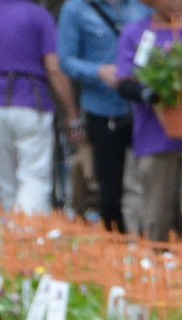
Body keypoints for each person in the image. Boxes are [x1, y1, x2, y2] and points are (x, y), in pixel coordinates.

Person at [0, 0, 77, 215]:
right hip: (31, 100)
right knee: (34, 175)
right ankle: (29, 233)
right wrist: (71, 110)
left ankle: (10, 237)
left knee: (5, 179)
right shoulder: (38, 15)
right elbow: (53, 67)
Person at [117, 0, 182, 241]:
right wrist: (149, 94)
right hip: (154, 141)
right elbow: (124, 82)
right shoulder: (136, 34)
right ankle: (156, 271)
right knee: (156, 217)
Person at [59, 0, 146, 231]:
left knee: (148, 185)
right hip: (102, 110)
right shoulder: (75, 8)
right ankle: (114, 249)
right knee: (109, 192)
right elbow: (65, 61)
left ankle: (148, 244)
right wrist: (98, 71)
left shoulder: (142, 5)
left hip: (142, 109)